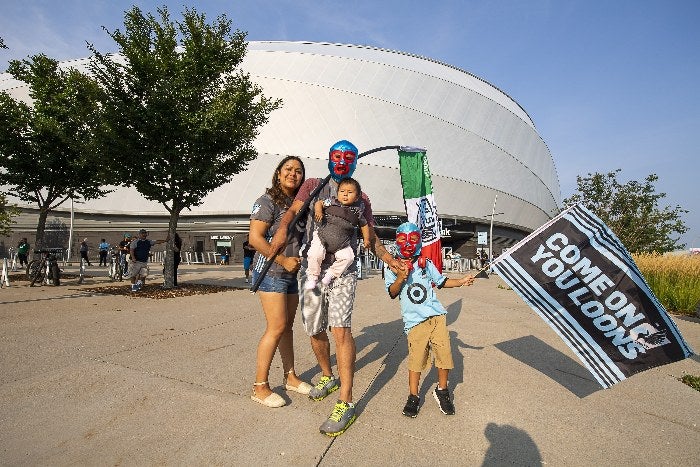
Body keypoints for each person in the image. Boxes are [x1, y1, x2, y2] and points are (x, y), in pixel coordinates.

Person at [270, 140, 402, 436]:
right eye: (337, 156)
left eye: (348, 158)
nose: (342, 161)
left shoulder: (361, 197)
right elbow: (293, 212)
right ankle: (328, 376)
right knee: (314, 328)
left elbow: (371, 235)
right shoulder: (314, 185)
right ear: (329, 158)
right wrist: (281, 228)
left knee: (340, 329)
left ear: (355, 162)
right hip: (312, 270)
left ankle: (346, 401)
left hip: (343, 271)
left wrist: (390, 260)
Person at [385, 222, 475, 418]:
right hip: (414, 322)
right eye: (403, 239)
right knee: (416, 361)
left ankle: (442, 391)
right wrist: (400, 276)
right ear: (397, 241)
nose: (408, 243)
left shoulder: (426, 263)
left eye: (413, 239)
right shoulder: (391, 266)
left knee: (444, 356)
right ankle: (413, 396)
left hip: (436, 317)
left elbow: (442, 282)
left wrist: (461, 282)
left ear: (419, 241)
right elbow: (392, 293)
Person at [249, 155, 312, 408]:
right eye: (288, 169)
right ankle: (259, 386)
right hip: (271, 272)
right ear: (278, 173)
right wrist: (284, 261)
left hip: (290, 275)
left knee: (287, 327)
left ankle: (290, 376)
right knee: (275, 327)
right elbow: (255, 238)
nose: (292, 174)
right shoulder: (266, 201)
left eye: (298, 171)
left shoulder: (298, 204)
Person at [304, 177, 371, 290]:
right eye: (342, 191)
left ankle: (331, 274)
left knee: (348, 257)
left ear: (357, 197)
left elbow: (364, 225)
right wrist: (319, 211)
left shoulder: (357, 211)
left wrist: (366, 239)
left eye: (350, 192)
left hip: (342, 242)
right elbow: (319, 203)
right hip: (322, 235)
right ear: (337, 192)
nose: (345, 194)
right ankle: (312, 277)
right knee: (315, 254)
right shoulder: (332, 201)